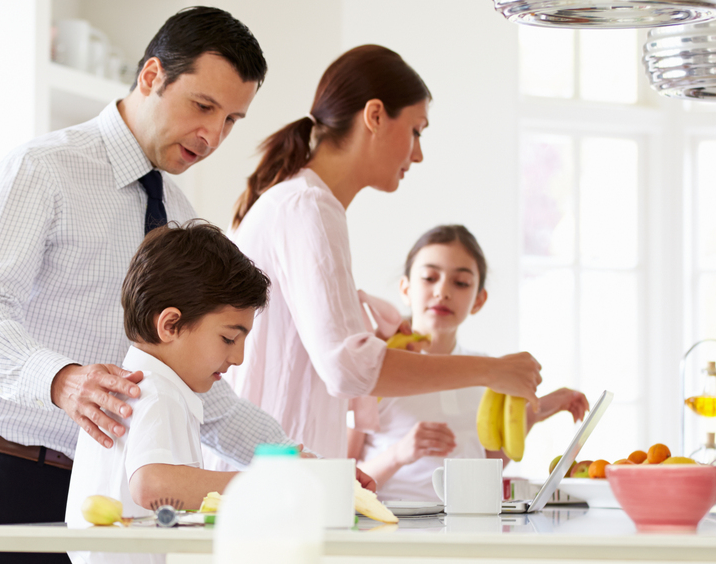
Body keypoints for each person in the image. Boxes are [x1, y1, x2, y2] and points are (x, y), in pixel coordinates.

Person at [0, 7, 321, 564]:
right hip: (9, 477)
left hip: (108, 504)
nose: (213, 135)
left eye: (232, 120)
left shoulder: (180, 218)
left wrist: (298, 464)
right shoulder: (44, 169)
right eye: (203, 106)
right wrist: (60, 380)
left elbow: (202, 390)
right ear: (151, 76)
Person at [224, 45, 544, 461]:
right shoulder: (309, 208)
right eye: (416, 130)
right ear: (374, 116)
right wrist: (491, 371)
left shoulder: (307, 205)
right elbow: (348, 368)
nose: (418, 153)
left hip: (285, 470)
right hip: (276, 476)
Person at [66, 222, 270, 564]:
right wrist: (261, 484)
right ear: (170, 325)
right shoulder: (157, 394)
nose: (238, 357)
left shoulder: (144, 388)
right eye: (229, 338)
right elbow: (153, 486)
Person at [346, 225, 590, 502]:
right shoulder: (378, 368)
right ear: (406, 288)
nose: (442, 291)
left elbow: (484, 461)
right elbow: (341, 479)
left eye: (460, 283)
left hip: (464, 528)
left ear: (479, 299)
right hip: (391, 530)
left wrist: (542, 407)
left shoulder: (491, 374)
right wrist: (399, 454)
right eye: (429, 277)